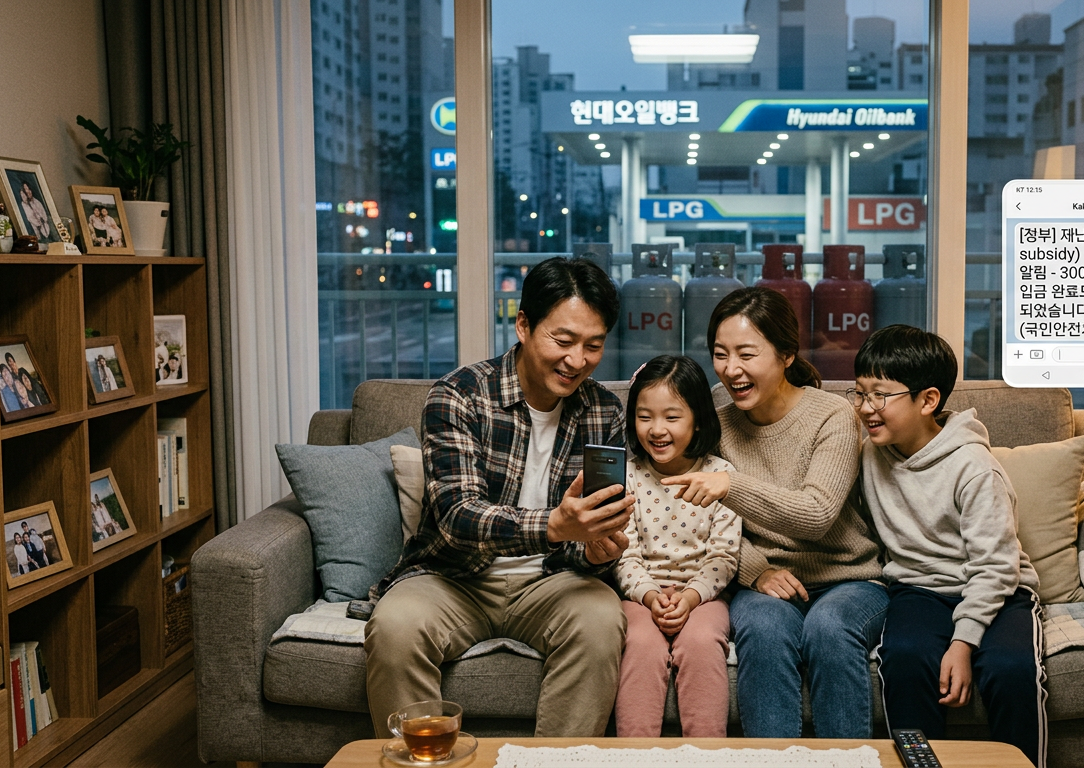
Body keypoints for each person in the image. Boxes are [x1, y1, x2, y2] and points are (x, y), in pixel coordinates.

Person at [364, 256, 634, 739]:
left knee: (600, 618)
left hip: (551, 582)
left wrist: (595, 549)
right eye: (563, 340)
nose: (577, 360)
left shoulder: (604, 411)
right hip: (453, 577)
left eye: (594, 346)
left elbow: (590, 534)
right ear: (524, 325)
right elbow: (457, 515)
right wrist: (554, 525)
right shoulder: (459, 396)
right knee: (396, 626)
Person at [660, 287, 885, 738]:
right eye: (720, 354)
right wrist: (755, 569)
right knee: (762, 630)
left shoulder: (833, 415)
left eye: (747, 353)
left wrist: (731, 485)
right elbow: (702, 528)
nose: (730, 369)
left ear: (785, 355)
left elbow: (817, 514)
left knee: (829, 627)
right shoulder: (717, 423)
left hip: (849, 577)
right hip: (764, 581)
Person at [854, 325, 1046, 767]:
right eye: (860, 393)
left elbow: (997, 567)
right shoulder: (870, 454)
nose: (867, 408)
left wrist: (963, 642)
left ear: (928, 400)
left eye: (880, 395)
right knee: (904, 659)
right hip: (918, 590)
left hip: (998, 590)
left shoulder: (975, 468)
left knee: (1012, 670)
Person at [613, 355, 741, 738]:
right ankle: (634, 759)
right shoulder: (628, 474)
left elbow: (724, 555)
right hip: (641, 596)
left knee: (702, 642)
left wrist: (689, 597)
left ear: (697, 419)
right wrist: (651, 596)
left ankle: (706, 758)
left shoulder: (721, 476)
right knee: (639, 643)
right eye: (644, 416)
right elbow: (624, 553)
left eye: (671, 417)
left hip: (703, 596)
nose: (656, 429)